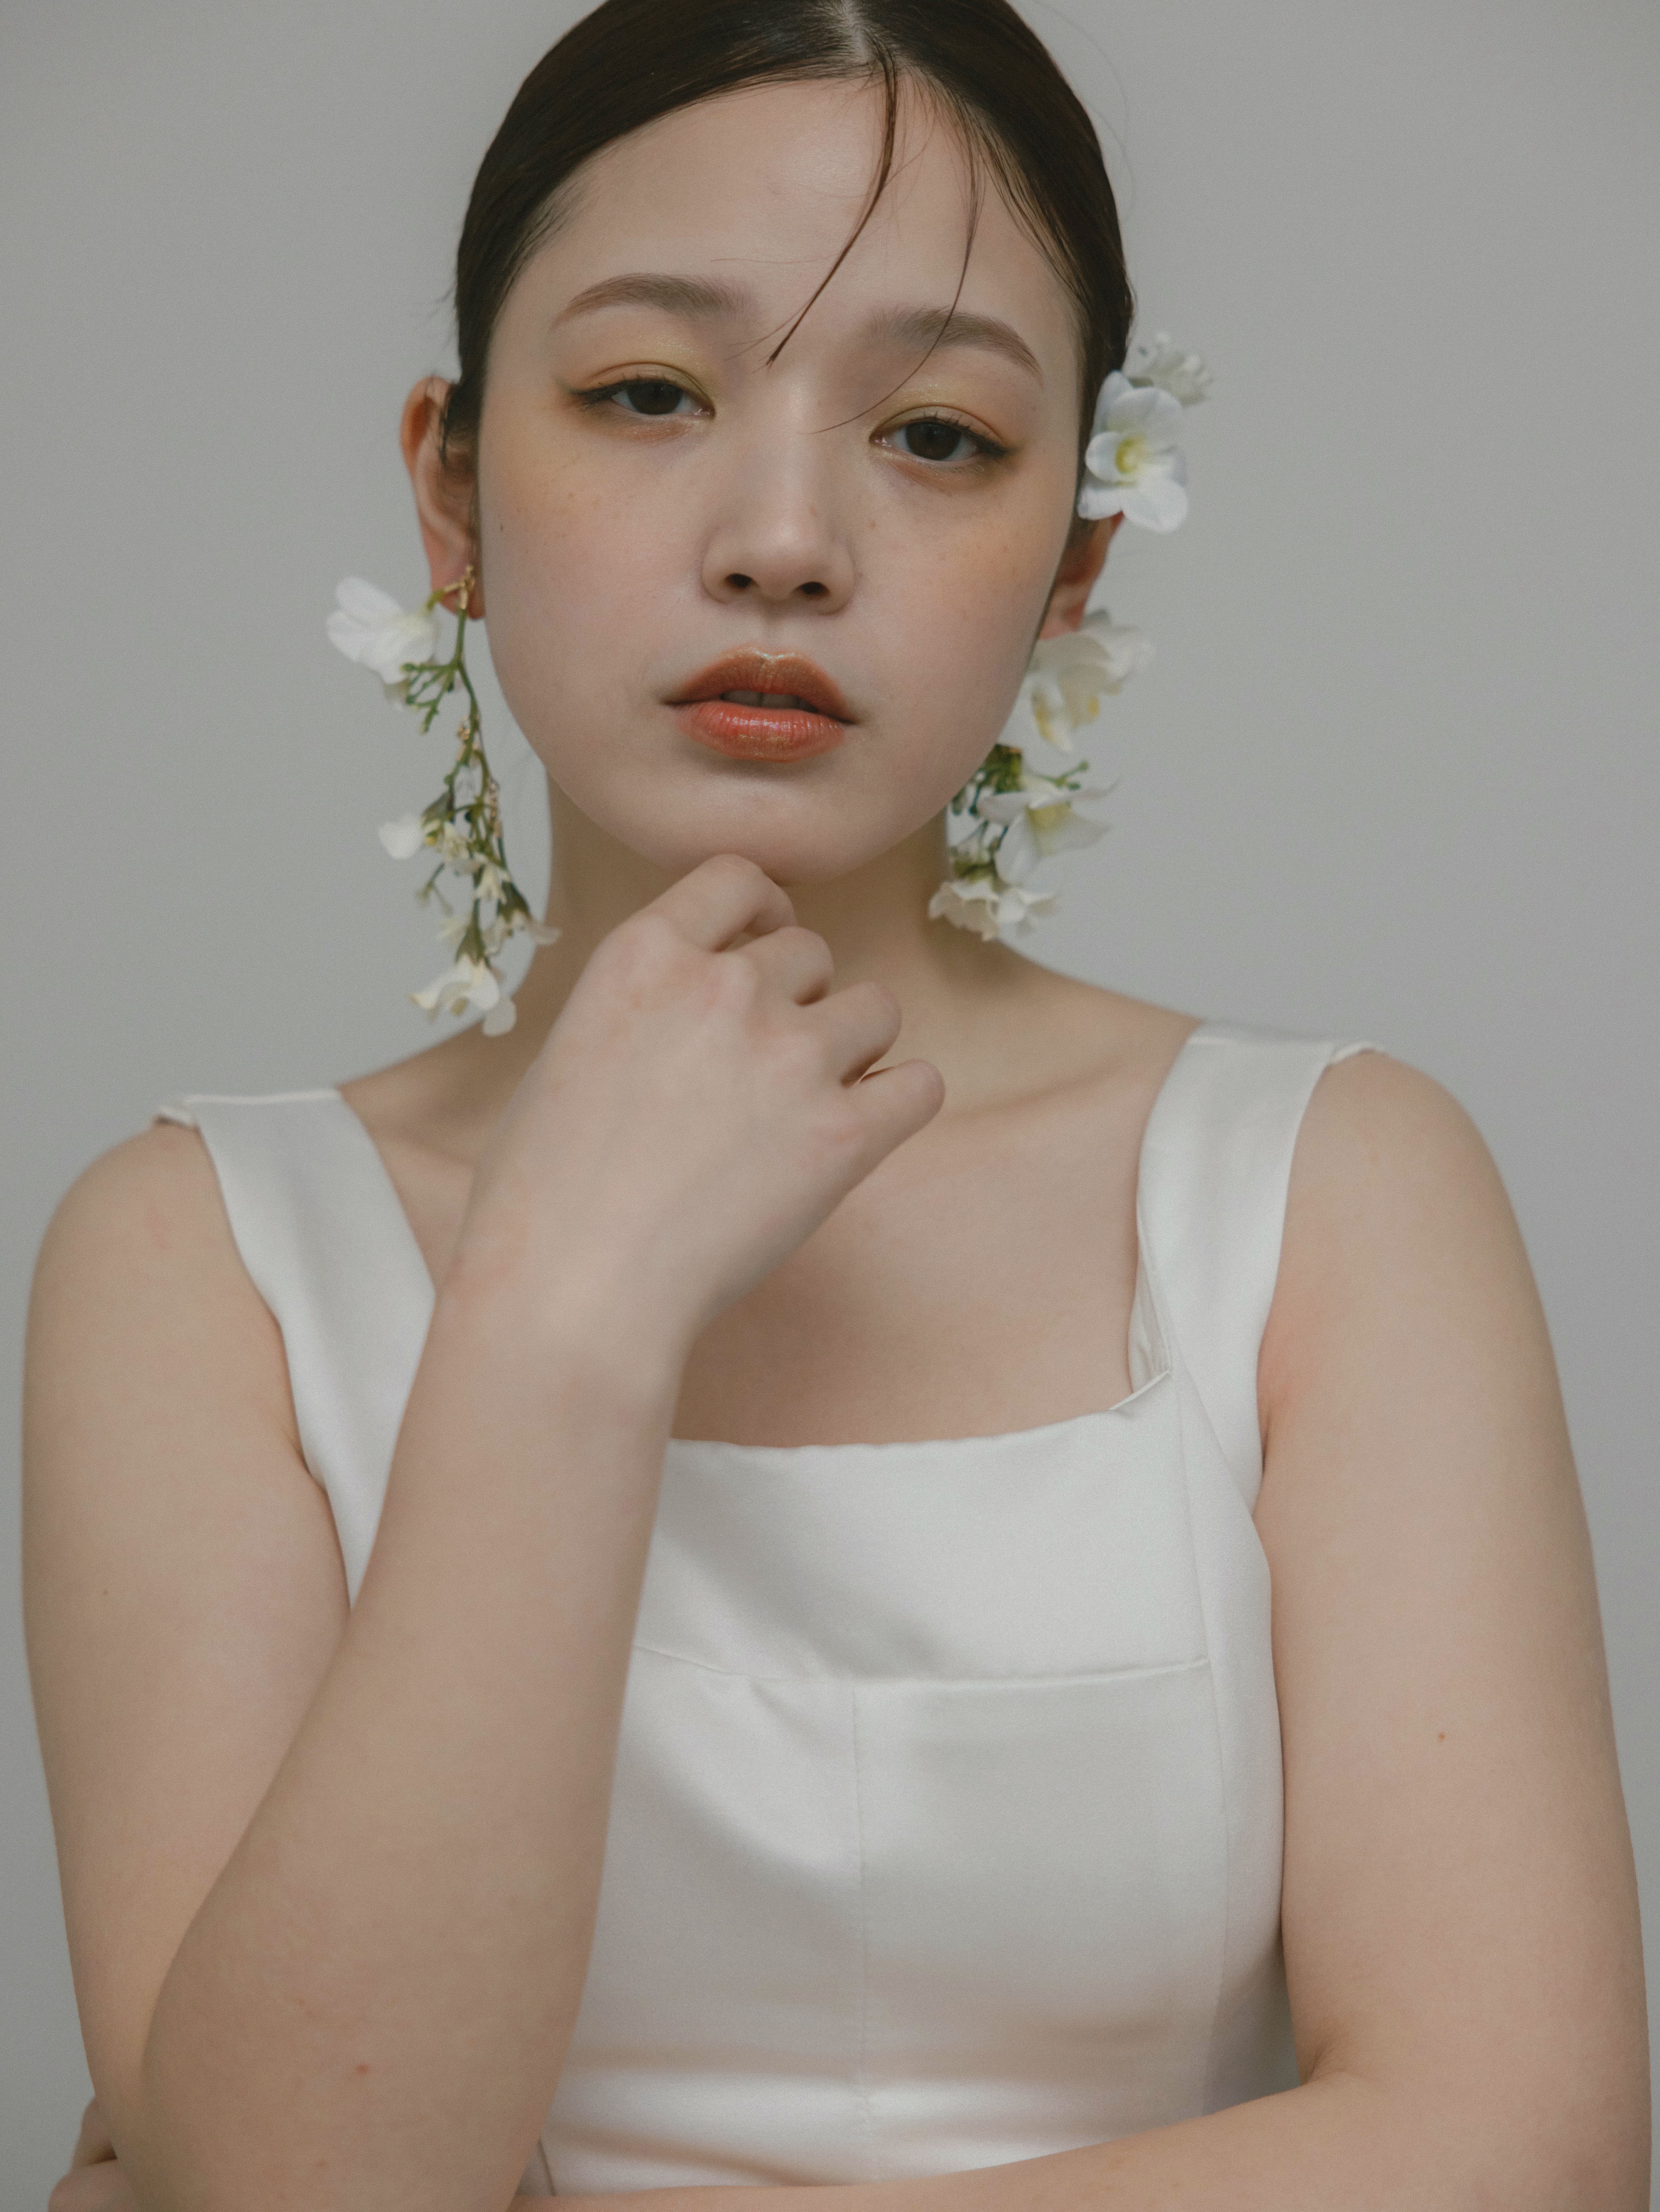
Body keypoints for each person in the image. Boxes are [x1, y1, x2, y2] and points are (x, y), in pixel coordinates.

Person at [24, 2, 1648, 2207]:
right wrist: (565, 1316)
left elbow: (1524, 2150)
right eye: (648, 393)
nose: (783, 538)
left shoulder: (1330, 1195)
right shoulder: (196, 1255)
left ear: (1074, 562)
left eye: (938, 435)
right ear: (451, 484)